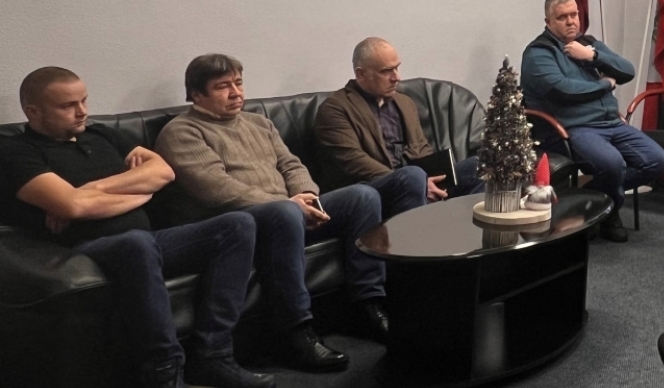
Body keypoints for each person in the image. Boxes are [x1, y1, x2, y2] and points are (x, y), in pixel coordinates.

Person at [0, 67, 271, 388]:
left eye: (84, 100)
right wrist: (135, 192)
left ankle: (213, 355)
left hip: (148, 241)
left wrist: (91, 190)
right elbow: (72, 206)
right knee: (135, 243)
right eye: (68, 105)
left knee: (237, 225)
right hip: (82, 252)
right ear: (34, 111)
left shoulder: (101, 134)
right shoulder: (16, 151)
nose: (82, 111)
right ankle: (164, 371)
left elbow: (163, 172)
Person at [155, 54, 387, 373]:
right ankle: (295, 331)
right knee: (284, 212)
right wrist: (287, 204)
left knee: (363, 196)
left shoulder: (259, 123)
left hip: (288, 210)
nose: (236, 92)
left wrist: (306, 196)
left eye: (238, 83)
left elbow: (291, 165)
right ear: (196, 95)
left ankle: (368, 303)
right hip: (236, 224)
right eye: (223, 87)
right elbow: (216, 188)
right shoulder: (182, 132)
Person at [521, 0, 664, 243]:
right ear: (548, 22)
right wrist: (605, 85)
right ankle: (609, 213)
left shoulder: (587, 43)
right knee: (611, 164)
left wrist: (593, 56)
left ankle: (592, 198)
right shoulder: (539, 53)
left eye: (574, 14)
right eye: (562, 17)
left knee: (657, 161)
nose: (571, 21)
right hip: (574, 128)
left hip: (611, 123)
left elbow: (627, 71)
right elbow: (564, 90)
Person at [314, 37, 482, 219]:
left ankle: (472, 233)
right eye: (386, 71)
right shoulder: (335, 109)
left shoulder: (404, 102)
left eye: (396, 68)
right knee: (412, 176)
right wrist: (417, 181)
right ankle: (413, 237)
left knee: (478, 165)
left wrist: (434, 179)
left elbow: (421, 147)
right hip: (376, 188)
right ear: (361, 74)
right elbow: (354, 163)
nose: (396, 78)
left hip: (417, 180)